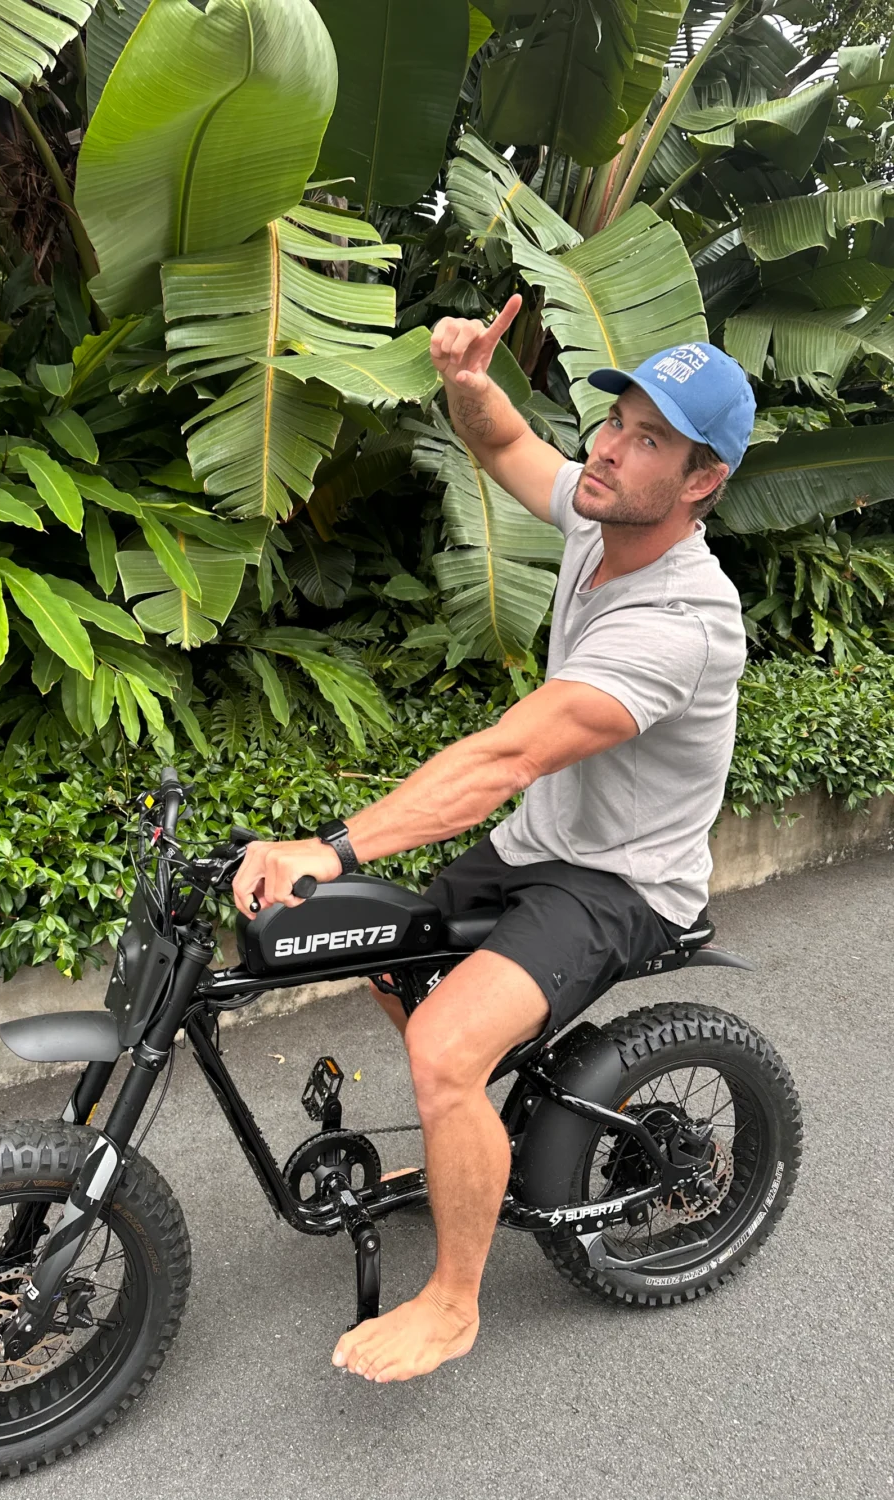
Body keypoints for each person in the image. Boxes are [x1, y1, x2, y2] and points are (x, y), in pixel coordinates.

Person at [232, 294, 756, 1385]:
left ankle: (455, 1303)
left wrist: (332, 845)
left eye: (650, 437)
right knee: (386, 956)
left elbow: (503, 759)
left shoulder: (679, 625)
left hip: (621, 880)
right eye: (615, 420)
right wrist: (472, 383)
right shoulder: (603, 512)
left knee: (441, 1048)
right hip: (542, 841)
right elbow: (514, 443)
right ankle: (480, 1123)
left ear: (702, 482)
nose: (609, 446)